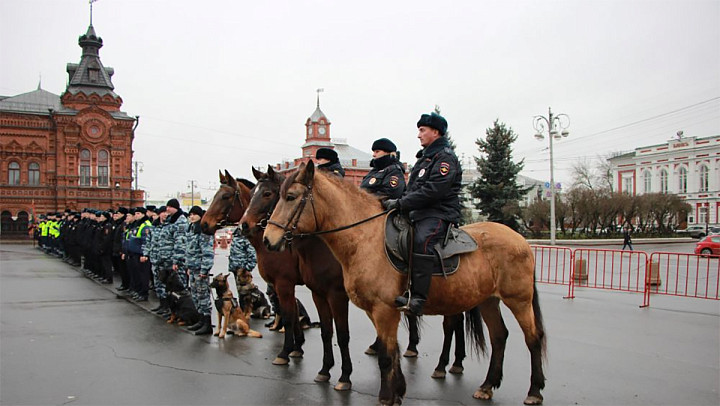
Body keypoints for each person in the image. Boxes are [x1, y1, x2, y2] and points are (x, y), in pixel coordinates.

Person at [383, 112, 463, 316]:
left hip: (438, 213)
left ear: (435, 132)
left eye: (422, 130)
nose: (418, 135)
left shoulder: (445, 158)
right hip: (419, 211)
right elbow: (413, 189)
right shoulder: (425, 159)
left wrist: (401, 203)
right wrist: (397, 204)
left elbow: (434, 190)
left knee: (422, 240)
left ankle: (418, 297)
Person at [184, 205, 215, 335]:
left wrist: (204, 270)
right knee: (196, 295)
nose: (191, 217)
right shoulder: (191, 229)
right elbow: (189, 250)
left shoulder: (203, 231)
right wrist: (188, 267)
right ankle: (201, 320)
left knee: (203, 296)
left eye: (194, 215)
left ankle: (207, 324)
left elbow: (207, 252)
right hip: (193, 267)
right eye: (190, 214)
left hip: (200, 269)